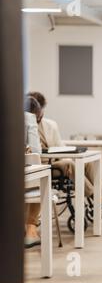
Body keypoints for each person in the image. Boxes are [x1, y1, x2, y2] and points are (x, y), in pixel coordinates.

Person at [27, 92, 102, 213]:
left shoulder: (50, 125)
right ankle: (98, 199)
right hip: (41, 165)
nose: (40, 114)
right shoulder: (24, 126)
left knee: (87, 163)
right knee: (69, 164)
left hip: (55, 162)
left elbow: (60, 146)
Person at [23, 96, 43, 248]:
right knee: (40, 181)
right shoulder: (29, 118)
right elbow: (36, 152)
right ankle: (31, 229)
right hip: (22, 176)